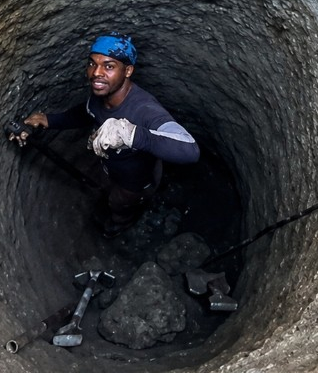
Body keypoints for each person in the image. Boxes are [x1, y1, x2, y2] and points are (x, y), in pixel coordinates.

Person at [16, 34, 200, 237]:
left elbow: (189, 150)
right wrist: (49, 120)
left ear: (128, 71)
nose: (96, 73)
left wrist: (131, 134)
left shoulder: (144, 109)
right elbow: (86, 113)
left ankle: (119, 225)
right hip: (112, 170)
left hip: (134, 184)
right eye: (92, 64)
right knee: (107, 189)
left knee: (119, 205)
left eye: (109, 66)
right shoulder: (99, 97)